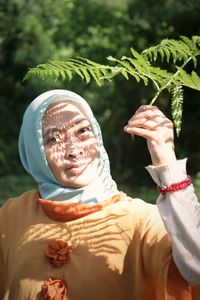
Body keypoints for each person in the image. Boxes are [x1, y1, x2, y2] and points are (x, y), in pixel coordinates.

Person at [0, 89, 200, 300]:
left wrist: (167, 160)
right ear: (34, 152)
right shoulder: (10, 218)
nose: (74, 150)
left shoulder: (141, 220)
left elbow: (195, 266)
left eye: (82, 131)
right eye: (53, 139)